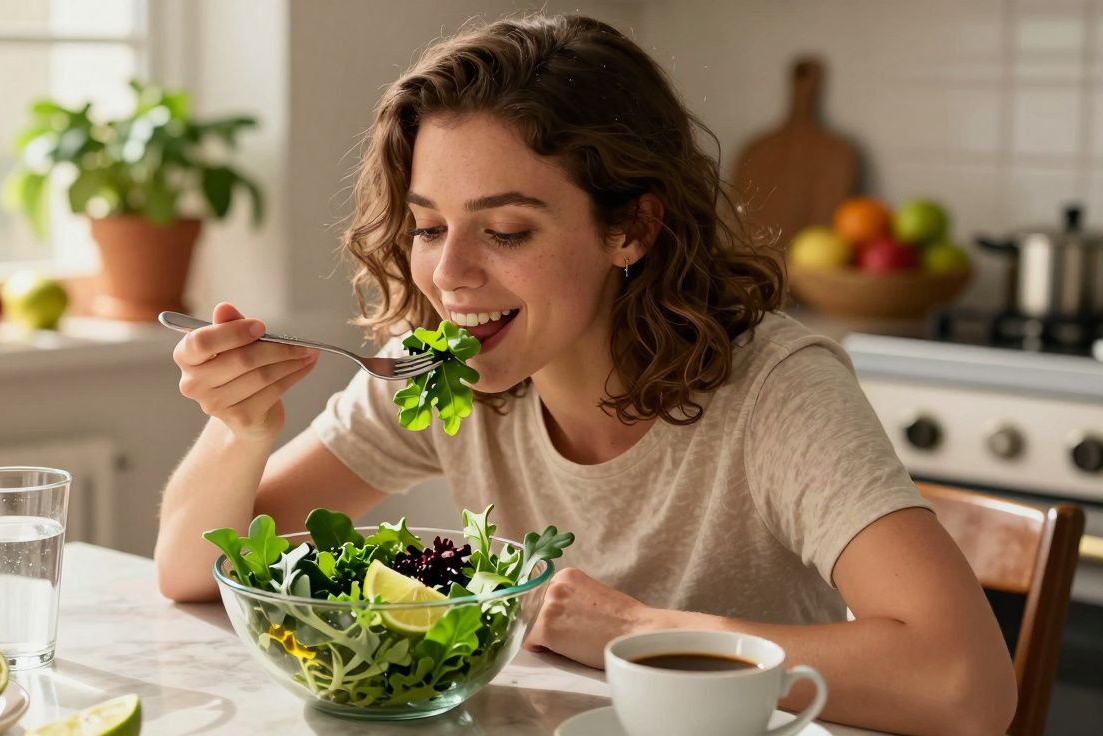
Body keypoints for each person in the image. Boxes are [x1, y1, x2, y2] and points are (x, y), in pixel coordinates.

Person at [154, 14, 1015, 735]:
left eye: (507, 231)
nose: (449, 274)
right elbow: (196, 571)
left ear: (631, 230)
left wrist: (639, 633)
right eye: (427, 227)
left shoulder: (774, 389)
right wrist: (241, 430)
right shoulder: (441, 374)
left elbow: (966, 685)